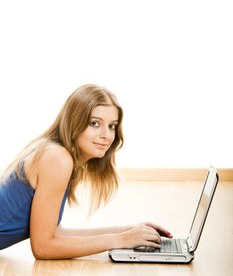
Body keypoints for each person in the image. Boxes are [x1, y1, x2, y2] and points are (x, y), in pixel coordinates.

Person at [0, 84, 172, 259]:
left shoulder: (57, 154)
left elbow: (54, 234)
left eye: (112, 126)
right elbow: (43, 247)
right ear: (74, 122)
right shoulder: (57, 159)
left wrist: (129, 231)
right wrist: (119, 239)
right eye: (95, 123)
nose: (106, 135)